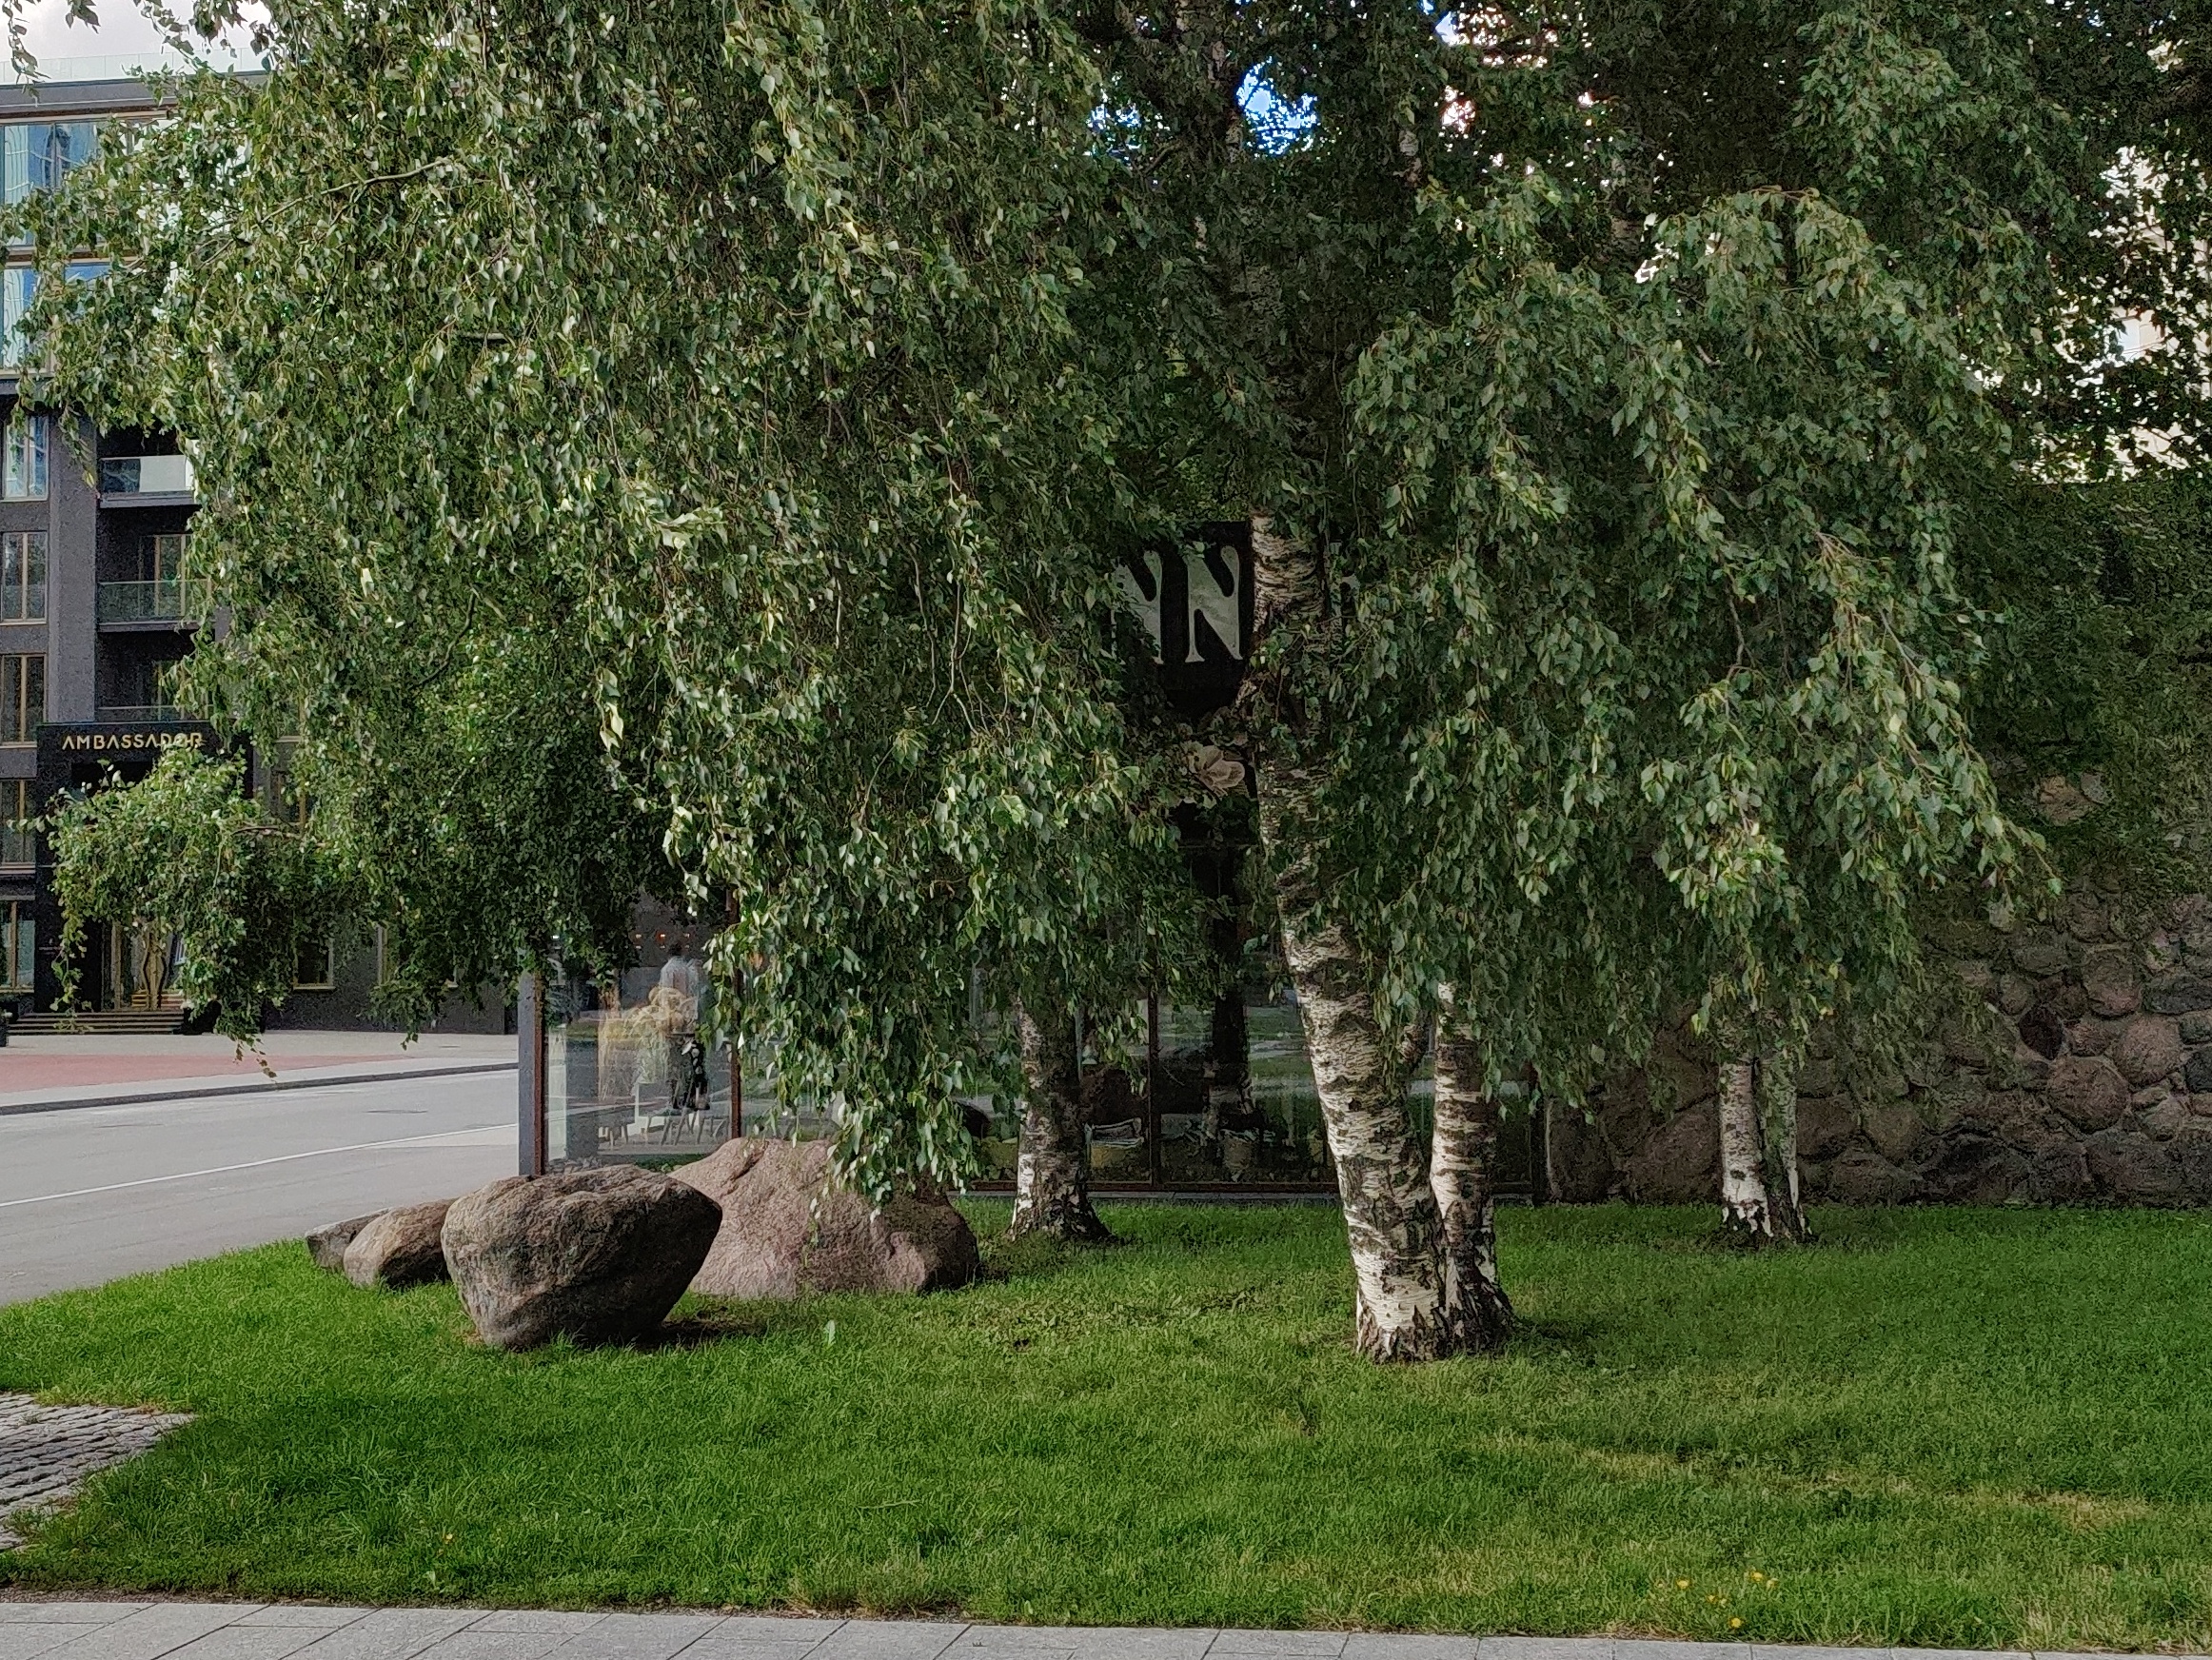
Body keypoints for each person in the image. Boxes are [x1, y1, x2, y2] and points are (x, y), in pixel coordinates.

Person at [657, 941, 708, 1118]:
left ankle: (674, 1101)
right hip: (690, 1020)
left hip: (674, 1023)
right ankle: (690, 1098)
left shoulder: (668, 970)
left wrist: (664, 1020)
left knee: (673, 1062)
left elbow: (667, 997)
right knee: (690, 1060)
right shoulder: (689, 969)